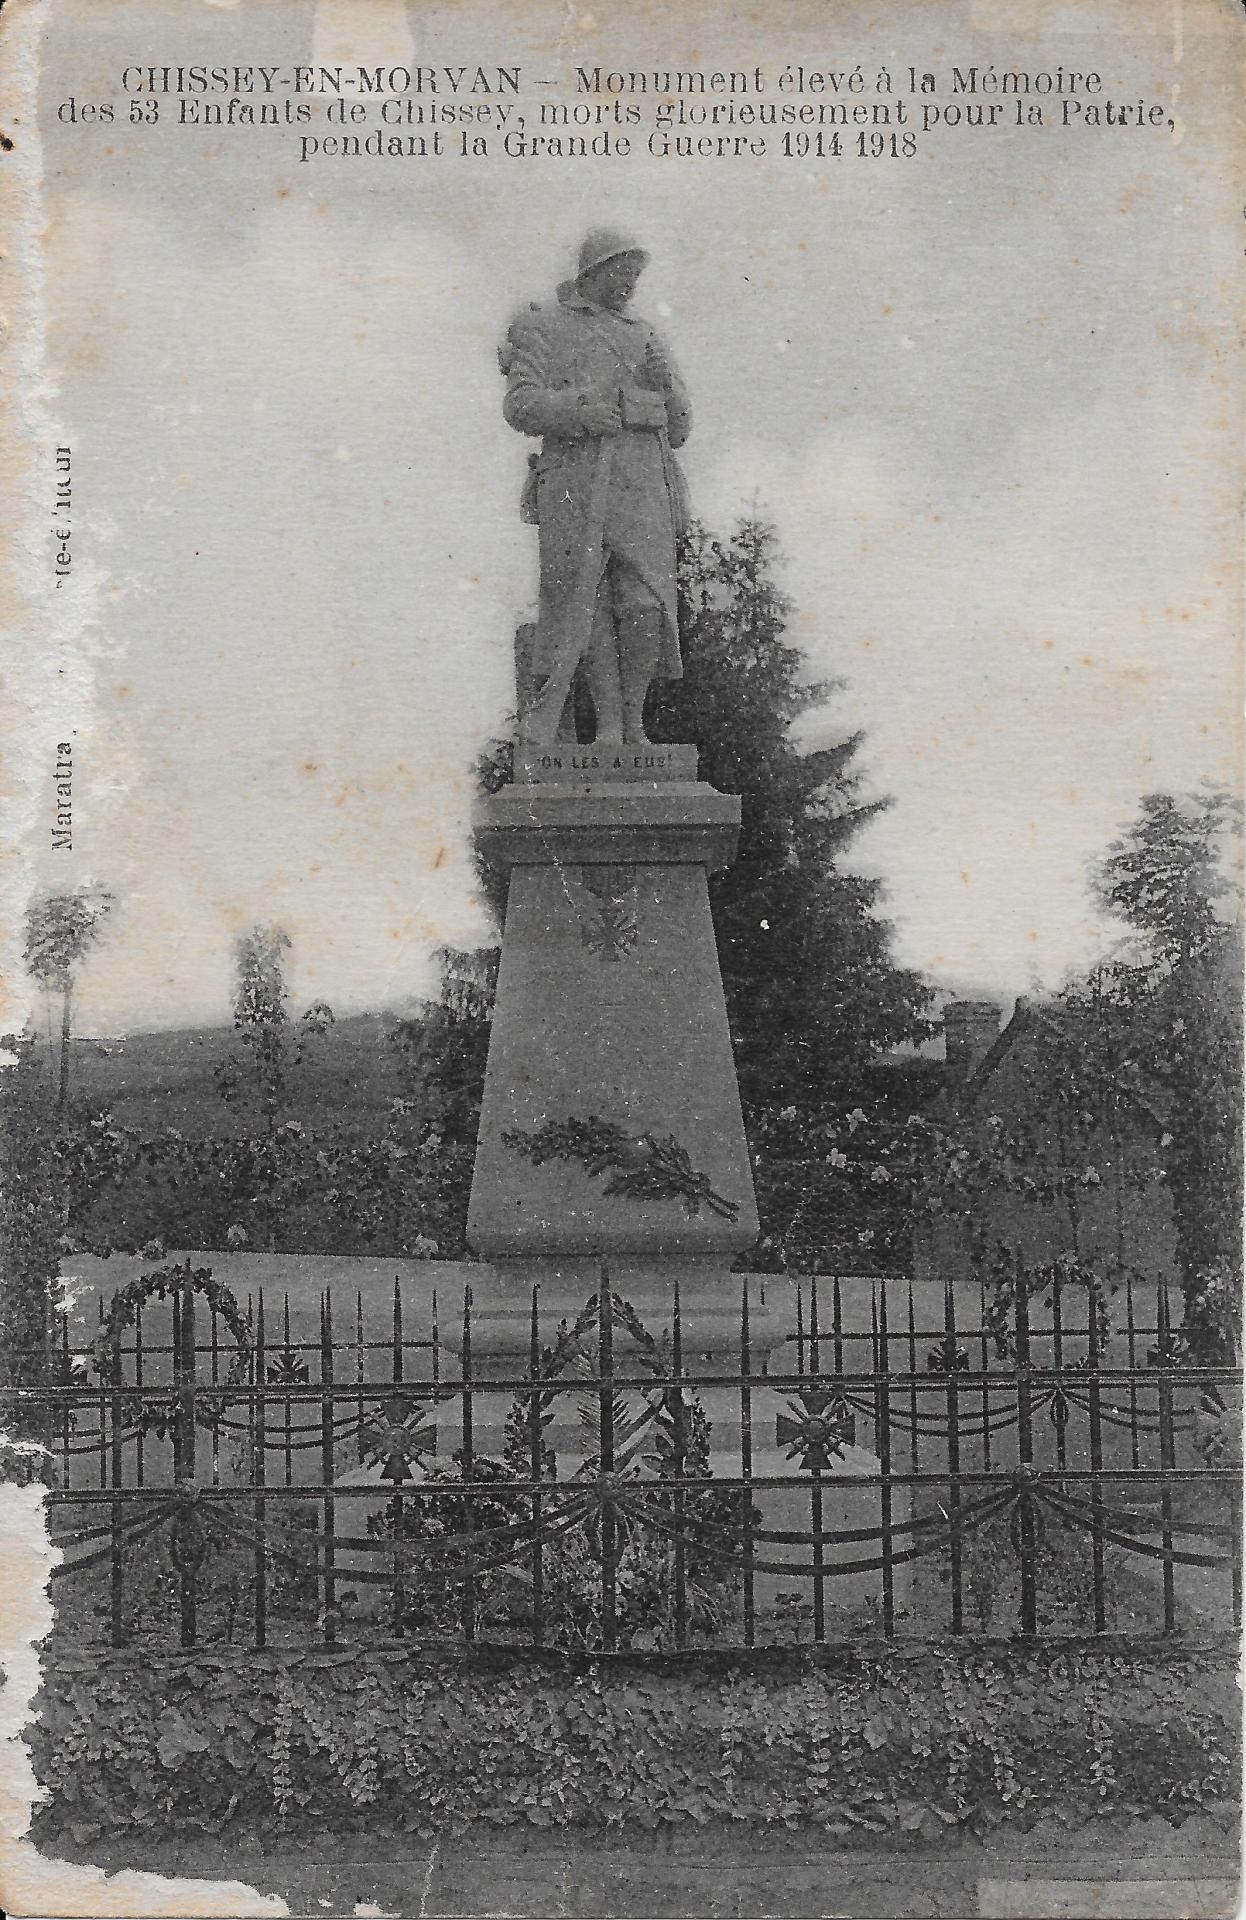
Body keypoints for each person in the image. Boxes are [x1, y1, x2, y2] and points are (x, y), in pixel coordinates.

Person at [500, 228, 692, 748]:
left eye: (636, 275)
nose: (629, 284)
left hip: (643, 481)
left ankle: (634, 719)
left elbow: (679, 428)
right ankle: (608, 725)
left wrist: (664, 388)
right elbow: (520, 404)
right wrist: (578, 411)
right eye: (621, 272)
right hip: (575, 480)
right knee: (585, 605)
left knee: (646, 604)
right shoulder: (542, 324)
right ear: (594, 270)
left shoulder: (646, 336)